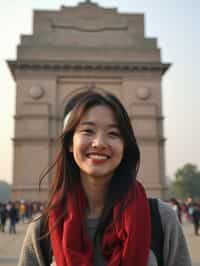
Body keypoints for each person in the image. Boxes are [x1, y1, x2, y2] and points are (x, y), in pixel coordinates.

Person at [18, 89, 192, 266]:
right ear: (70, 142)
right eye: (88, 130)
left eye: (113, 134)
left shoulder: (161, 219)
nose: (99, 143)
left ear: (125, 147)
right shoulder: (43, 229)